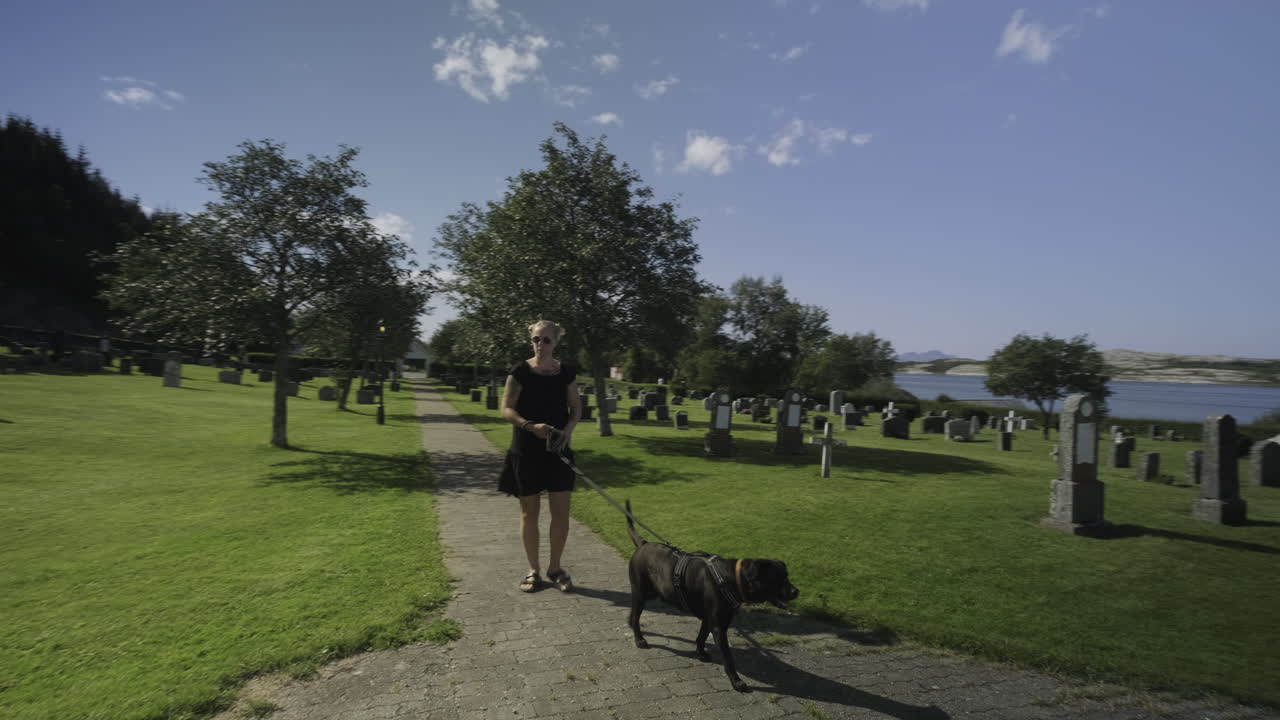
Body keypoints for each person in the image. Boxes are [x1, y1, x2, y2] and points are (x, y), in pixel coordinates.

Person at [499, 320, 582, 593]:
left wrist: (567, 431)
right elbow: (507, 408)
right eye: (536, 339)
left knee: (561, 513)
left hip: (557, 450)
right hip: (526, 449)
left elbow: (575, 409)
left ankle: (555, 568)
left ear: (556, 342)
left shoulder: (566, 373)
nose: (540, 345)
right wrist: (529, 426)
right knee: (529, 513)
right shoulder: (520, 372)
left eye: (546, 340)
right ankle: (533, 570)